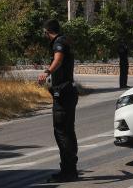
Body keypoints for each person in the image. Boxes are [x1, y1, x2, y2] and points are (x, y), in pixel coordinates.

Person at [38, 19, 79, 183]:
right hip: (68, 92)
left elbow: (58, 59)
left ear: (47, 31)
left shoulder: (59, 42)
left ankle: (68, 172)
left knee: (62, 132)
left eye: (44, 32)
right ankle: (70, 169)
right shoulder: (65, 40)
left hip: (63, 94)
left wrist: (47, 72)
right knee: (67, 131)